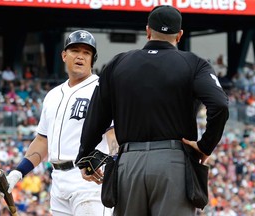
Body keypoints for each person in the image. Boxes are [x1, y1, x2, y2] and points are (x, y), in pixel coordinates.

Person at [75, 5, 229, 216]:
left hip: (129, 163)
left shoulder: (118, 63)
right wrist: (205, 145)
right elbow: (219, 104)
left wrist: (85, 154)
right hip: (174, 163)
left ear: (148, 31)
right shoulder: (194, 64)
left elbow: (97, 114)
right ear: (180, 35)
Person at [0, 30, 114, 216]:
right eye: (75, 50)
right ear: (64, 55)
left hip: (89, 180)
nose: (80, 56)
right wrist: (18, 172)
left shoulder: (102, 90)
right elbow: (43, 140)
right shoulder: (52, 95)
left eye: (86, 52)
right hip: (58, 182)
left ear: (93, 59)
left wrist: (113, 163)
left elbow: (113, 136)